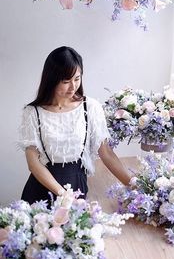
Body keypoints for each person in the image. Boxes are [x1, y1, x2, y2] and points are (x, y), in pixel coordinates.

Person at [18, 46, 131, 204]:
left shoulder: (90, 107)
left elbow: (106, 153)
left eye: (77, 79)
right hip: (41, 190)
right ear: (52, 79)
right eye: (66, 81)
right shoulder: (32, 113)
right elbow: (33, 163)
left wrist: (136, 187)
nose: (73, 87)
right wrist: (63, 195)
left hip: (76, 187)